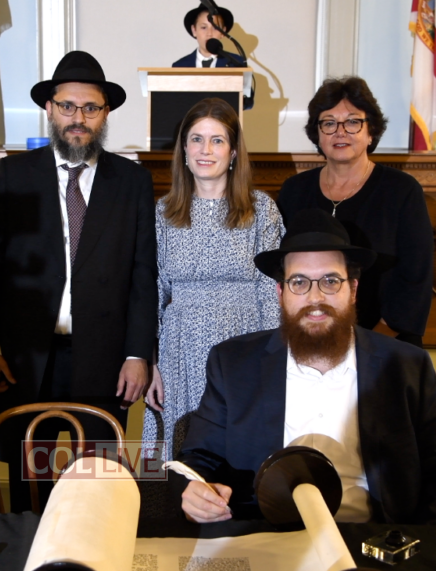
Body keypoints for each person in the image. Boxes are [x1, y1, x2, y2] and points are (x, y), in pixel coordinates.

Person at [175, 209, 436, 526]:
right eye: (299, 282)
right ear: (280, 293)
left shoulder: (406, 364)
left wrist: (429, 542)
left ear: (352, 290)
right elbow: (200, 457)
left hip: (370, 540)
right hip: (263, 538)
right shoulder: (233, 362)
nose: (315, 298)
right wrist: (197, 491)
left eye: (330, 281)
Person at [0, 50, 157, 513]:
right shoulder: (14, 176)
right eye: (68, 106)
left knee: (96, 483)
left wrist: (138, 354)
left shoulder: (132, 181)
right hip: (24, 358)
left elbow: (142, 273)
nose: (79, 118)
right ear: (50, 109)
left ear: (105, 113)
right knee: (27, 482)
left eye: (90, 108)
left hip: (103, 358)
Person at [142, 98, 283, 467]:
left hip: (243, 345)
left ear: (234, 152)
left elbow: (271, 289)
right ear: (184, 150)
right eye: (196, 139)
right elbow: (154, 291)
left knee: (240, 452)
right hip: (179, 352)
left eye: (217, 140)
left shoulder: (261, 209)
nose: (206, 150)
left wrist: (271, 360)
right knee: (179, 457)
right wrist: (151, 363)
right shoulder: (162, 212)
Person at [277, 76, 433, 348]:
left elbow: (415, 276)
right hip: (310, 339)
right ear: (318, 134)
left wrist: (372, 340)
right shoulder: (294, 191)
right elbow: (282, 270)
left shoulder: (402, 191)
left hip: (387, 342)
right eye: (329, 123)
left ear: (370, 131)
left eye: (352, 121)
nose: (340, 132)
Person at [172, 5, 245, 68]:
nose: (209, 33)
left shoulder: (236, 63)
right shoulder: (180, 65)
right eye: (204, 27)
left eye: (215, 28)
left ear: (223, 32)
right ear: (194, 30)